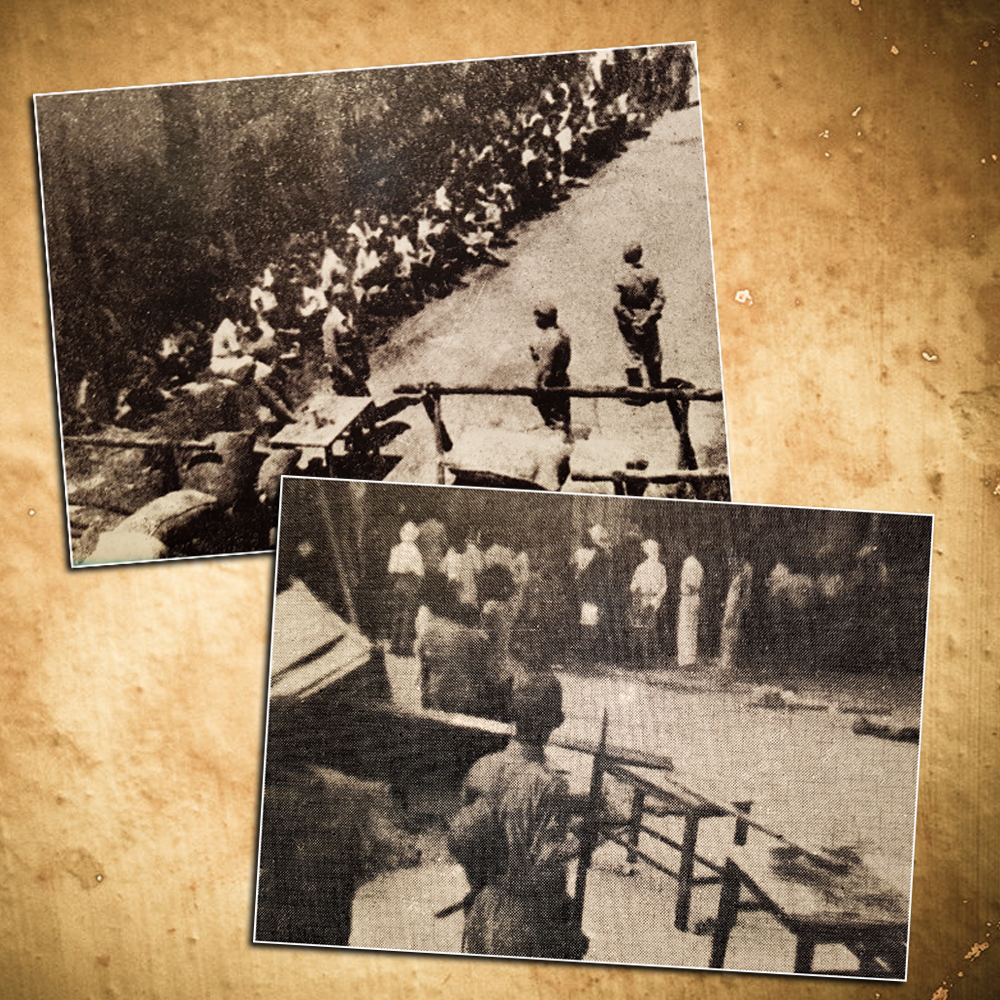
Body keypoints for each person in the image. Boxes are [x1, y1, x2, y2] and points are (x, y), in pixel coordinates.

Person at [447, 673, 588, 960]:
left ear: (512, 714)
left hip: (482, 911)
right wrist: (583, 839)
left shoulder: (483, 767)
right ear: (557, 721)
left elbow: (466, 837)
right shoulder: (550, 784)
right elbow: (546, 863)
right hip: (528, 925)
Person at [613, 241, 665, 389]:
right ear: (640, 255)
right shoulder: (651, 274)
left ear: (625, 256)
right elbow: (660, 299)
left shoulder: (620, 276)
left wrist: (631, 320)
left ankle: (635, 391)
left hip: (629, 319)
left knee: (631, 353)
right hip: (647, 318)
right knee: (652, 353)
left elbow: (616, 304)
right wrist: (649, 316)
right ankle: (655, 386)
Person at [528, 302, 571, 434]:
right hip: (561, 378)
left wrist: (536, 386)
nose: (535, 320)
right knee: (562, 416)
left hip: (550, 382)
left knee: (554, 420)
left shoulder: (550, 339)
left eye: (538, 317)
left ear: (545, 318)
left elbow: (546, 367)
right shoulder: (561, 333)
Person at [387, 522, 425, 655]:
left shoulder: (395, 549)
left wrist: (396, 582)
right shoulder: (416, 551)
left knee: (397, 614)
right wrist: (416, 586)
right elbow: (420, 573)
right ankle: (405, 645)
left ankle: (394, 644)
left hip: (398, 583)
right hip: (410, 583)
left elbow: (391, 570)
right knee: (409, 615)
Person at [629, 539, 667, 667]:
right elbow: (633, 586)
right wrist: (636, 590)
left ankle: (655, 658)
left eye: (655, 551)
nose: (653, 554)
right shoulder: (641, 567)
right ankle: (642, 659)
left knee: (653, 630)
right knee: (642, 630)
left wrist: (656, 600)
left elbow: (664, 587)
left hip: (655, 601)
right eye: (651, 551)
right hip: (642, 600)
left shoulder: (661, 568)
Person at [677, 551, 704, 667]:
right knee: (689, 628)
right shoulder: (694, 563)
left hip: (689, 598)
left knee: (686, 628)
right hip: (690, 597)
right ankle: (687, 659)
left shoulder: (691, 563)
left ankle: (687, 660)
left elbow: (692, 583)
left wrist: (688, 587)